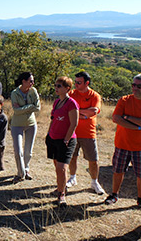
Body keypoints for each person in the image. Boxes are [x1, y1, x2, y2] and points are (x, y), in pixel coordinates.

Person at [104, 74, 141, 206]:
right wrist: (138, 127)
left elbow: (121, 118)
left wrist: (127, 117)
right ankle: (114, 195)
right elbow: (116, 119)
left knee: (140, 174)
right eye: (133, 85)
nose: (135, 88)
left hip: (139, 147)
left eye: (139, 86)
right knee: (118, 171)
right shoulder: (124, 100)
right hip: (122, 144)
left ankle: (140, 199)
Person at [67, 71, 105, 195]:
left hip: (89, 133)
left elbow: (93, 111)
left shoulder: (94, 96)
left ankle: (94, 182)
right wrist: (83, 114)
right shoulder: (71, 94)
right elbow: (67, 110)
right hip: (72, 132)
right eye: (75, 82)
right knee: (72, 157)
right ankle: (72, 178)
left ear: (86, 83)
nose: (76, 85)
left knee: (93, 160)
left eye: (79, 82)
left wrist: (77, 112)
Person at [45, 76, 79, 206]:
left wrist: (66, 139)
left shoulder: (71, 103)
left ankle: (61, 196)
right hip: (53, 138)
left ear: (67, 88)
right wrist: (48, 134)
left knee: (62, 168)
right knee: (57, 167)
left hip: (66, 140)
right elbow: (53, 119)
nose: (56, 88)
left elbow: (74, 123)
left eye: (59, 86)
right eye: (55, 85)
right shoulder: (56, 102)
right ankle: (61, 188)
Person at [10, 72, 40, 183]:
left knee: (28, 152)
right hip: (17, 125)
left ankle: (26, 169)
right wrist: (30, 106)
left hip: (31, 124)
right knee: (18, 151)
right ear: (23, 81)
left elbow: (37, 108)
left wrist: (25, 107)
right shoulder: (14, 93)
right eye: (30, 81)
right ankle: (20, 173)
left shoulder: (33, 91)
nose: (33, 83)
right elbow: (16, 111)